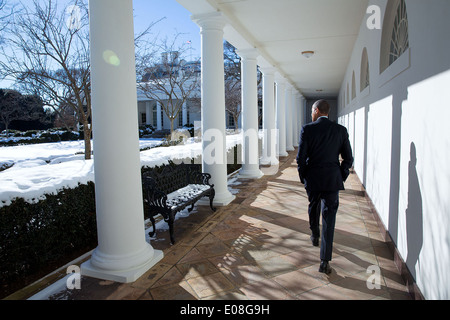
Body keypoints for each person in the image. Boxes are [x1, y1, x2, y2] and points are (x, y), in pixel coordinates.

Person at [296, 100, 353, 274]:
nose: (311, 114)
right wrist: (340, 175)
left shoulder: (307, 129)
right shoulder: (340, 130)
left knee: (313, 206)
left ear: (317, 110)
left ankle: (314, 233)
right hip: (331, 180)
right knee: (329, 218)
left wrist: (304, 176)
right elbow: (348, 159)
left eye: (312, 111)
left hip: (313, 178)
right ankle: (324, 261)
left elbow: (300, 158)